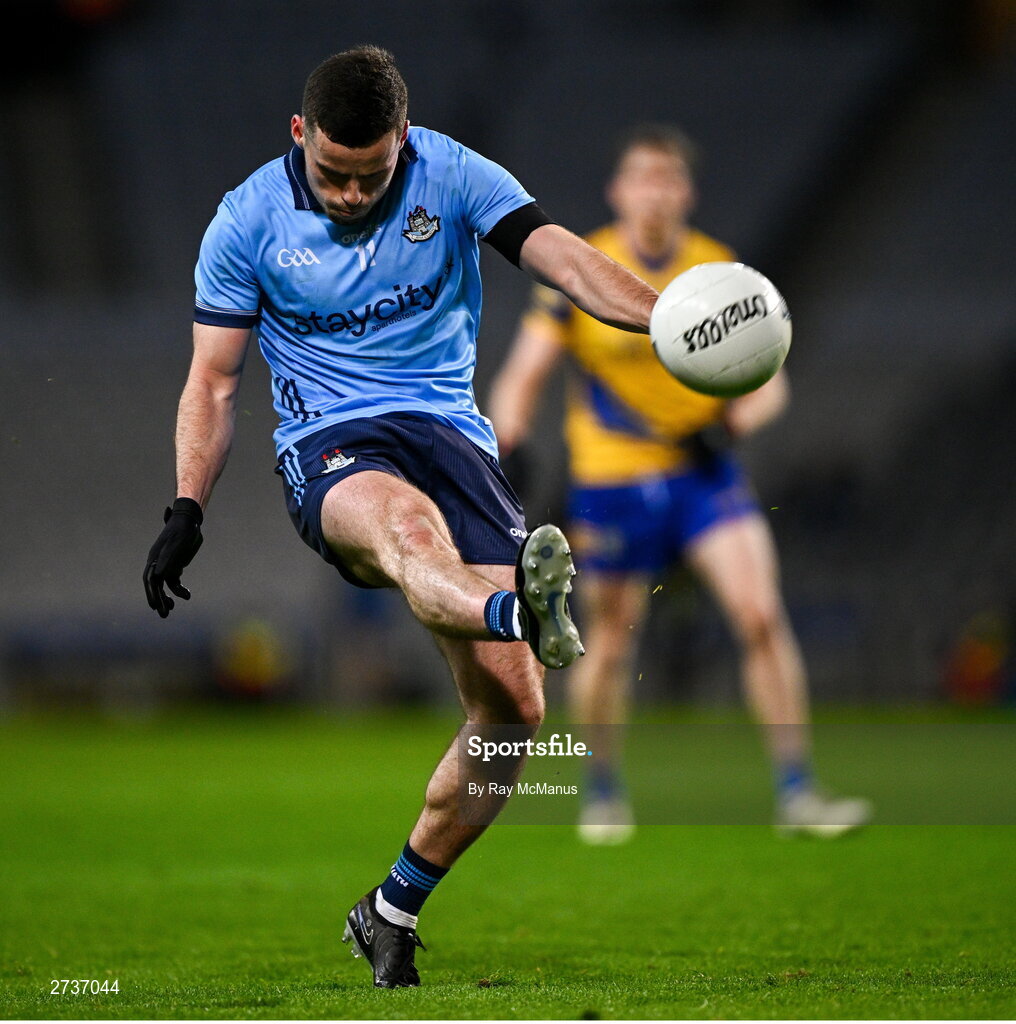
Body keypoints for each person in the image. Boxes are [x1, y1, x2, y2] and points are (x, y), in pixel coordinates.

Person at [141, 47, 660, 989]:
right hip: (332, 447)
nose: (348, 193)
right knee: (408, 532)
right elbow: (213, 384)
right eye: (332, 173)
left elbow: (568, 261)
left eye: (370, 175)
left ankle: (391, 904)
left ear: (404, 144)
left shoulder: (454, 175)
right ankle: (518, 610)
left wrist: (665, 319)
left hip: (452, 437)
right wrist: (187, 506)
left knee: (512, 716)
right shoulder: (248, 219)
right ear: (299, 136)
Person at [487, 124, 871, 845]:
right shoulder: (586, 268)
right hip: (612, 483)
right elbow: (521, 374)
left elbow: (770, 383)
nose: (655, 191)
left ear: (686, 193)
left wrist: (726, 431)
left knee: (759, 615)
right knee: (609, 638)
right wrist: (509, 442)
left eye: (668, 178)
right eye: (642, 177)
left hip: (703, 476)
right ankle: (602, 791)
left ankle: (798, 790)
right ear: (618, 190)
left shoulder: (715, 272)